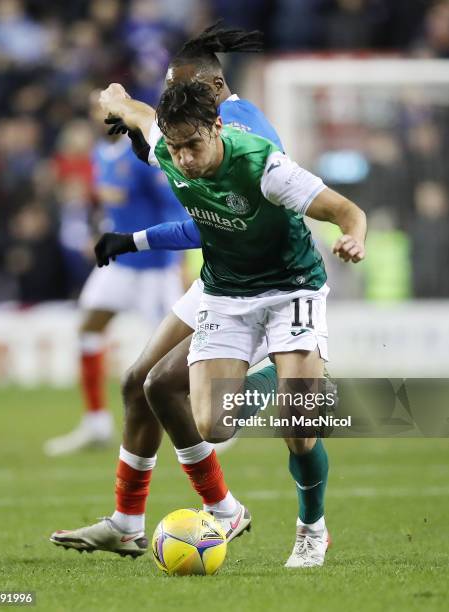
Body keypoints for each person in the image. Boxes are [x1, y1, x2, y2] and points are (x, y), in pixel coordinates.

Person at [93, 76, 366, 569]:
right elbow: (136, 113)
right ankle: (278, 374)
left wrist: (354, 238)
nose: (186, 160)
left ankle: (312, 530)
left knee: (299, 426)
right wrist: (111, 99)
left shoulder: (267, 167)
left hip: (291, 288)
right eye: (176, 149)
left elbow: (348, 211)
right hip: (227, 294)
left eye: (194, 146)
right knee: (212, 426)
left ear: (217, 128)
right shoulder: (171, 148)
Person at [44, 92, 187, 457]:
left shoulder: (140, 155)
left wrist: (179, 261)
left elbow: (173, 205)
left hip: (153, 268)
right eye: (94, 106)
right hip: (119, 265)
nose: (99, 112)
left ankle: (210, 417)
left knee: (177, 349)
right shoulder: (99, 155)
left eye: (104, 104)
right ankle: (95, 423)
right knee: (89, 327)